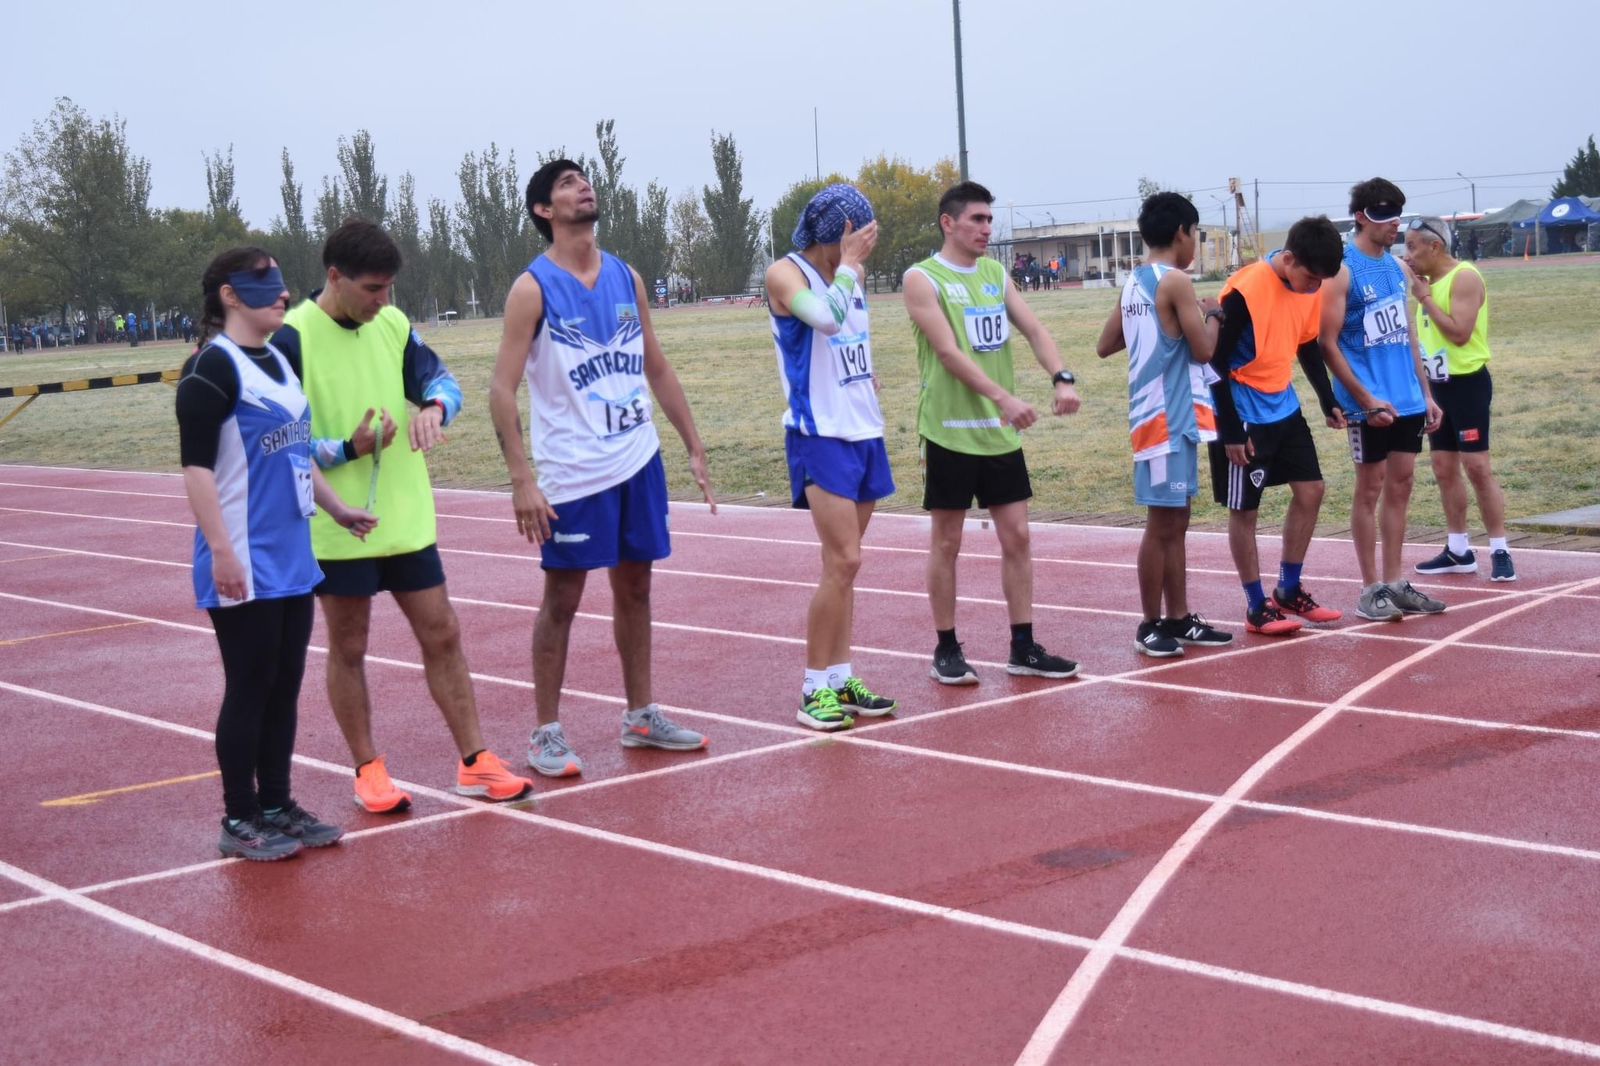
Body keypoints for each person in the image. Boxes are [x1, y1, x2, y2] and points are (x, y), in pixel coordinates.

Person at [272, 219, 534, 811]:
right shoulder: (291, 338)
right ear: (334, 277)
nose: (383, 300)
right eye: (371, 289)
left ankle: (475, 762)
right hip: (336, 525)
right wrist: (346, 450)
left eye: (388, 288)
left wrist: (437, 409)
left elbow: (443, 381)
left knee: (443, 633)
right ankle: (369, 769)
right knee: (350, 644)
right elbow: (281, 439)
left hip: (406, 516)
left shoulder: (392, 324)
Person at [488, 159, 717, 777]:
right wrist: (521, 479)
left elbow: (657, 365)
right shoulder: (531, 289)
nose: (582, 187)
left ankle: (641, 715)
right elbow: (501, 390)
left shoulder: (626, 276)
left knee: (637, 587)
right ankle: (546, 731)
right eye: (566, 184)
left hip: (636, 458)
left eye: (585, 179)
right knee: (562, 596)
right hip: (571, 471)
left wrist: (692, 442)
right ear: (544, 210)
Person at [177, 247, 377, 860]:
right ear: (230, 296)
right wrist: (221, 550)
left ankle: (276, 803)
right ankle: (238, 818)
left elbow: (293, 452)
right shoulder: (211, 369)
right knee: (250, 685)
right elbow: (197, 471)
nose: (282, 294)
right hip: (243, 556)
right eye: (263, 285)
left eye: (283, 285)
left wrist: (338, 509)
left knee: (284, 686)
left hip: (293, 556)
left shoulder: (283, 360)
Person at [903, 180, 1083, 684]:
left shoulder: (995, 274)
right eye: (977, 219)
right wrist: (1003, 397)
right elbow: (947, 353)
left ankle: (1023, 646)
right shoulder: (922, 279)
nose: (987, 228)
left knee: (1018, 536)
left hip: (998, 436)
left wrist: (1061, 376)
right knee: (947, 543)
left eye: (989, 219)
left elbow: (1034, 329)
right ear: (949, 222)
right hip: (949, 431)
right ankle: (946, 647)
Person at [763, 183, 897, 730]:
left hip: (863, 428)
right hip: (819, 433)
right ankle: (812, 688)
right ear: (840, 232)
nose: (869, 243)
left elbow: (846, 341)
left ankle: (841, 678)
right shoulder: (785, 273)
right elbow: (823, 318)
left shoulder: (853, 275)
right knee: (843, 560)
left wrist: (865, 377)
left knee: (843, 567)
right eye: (861, 232)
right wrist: (849, 267)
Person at [1094, 192, 1233, 657]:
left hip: (1168, 418)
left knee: (1178, 520)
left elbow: (1105, 344)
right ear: (1181, 233)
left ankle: (1178, 616)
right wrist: (1212, 313)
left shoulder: (1135, 281)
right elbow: (1204, 350)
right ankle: (1150, 623)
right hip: (1164, 419)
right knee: (1162, 524)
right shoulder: (1174, 281)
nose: (1195, 242)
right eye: (1196, 234)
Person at [1207, 216, 1348, 635]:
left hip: (1283, 406)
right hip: (1242, 411)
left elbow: (1306, 343)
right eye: (1309, 277)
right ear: (1287, 259)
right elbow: (1215, 364)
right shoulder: (1245, 291)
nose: (1314, 287)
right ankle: (1255, 606)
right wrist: (1230, 430)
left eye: (1322, 280)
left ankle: (1288, 590)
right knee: (1245, 511)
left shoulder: (1311, 287)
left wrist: (1328, 399)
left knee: (1312, 490)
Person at [1318, 179, 1446, 621]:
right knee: (1369, 486)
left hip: (1407, 398)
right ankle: (1370, 588)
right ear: (1360, 217)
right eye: (1384, 215)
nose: (1394, 224)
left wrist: (1425, 392)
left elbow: (1408, 334)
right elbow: (1327, 343)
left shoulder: (1396, 268)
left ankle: (1395, 581)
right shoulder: (1342, 268)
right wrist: (1363, 399)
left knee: (1402, 484)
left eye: (1397, 215)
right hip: (1367, 402)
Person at [1403, 216, 1516, 582]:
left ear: (1435, 247)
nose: (1408, 255)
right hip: (1438, 389)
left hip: (1467, 384)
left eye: (1412, 247)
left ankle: (1500, 548)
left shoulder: (1463, 276)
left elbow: (1459, 335)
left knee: (1477, 467)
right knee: (1443, 468)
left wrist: (1424, 298)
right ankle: (1458, 549)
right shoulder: (1429, 283)